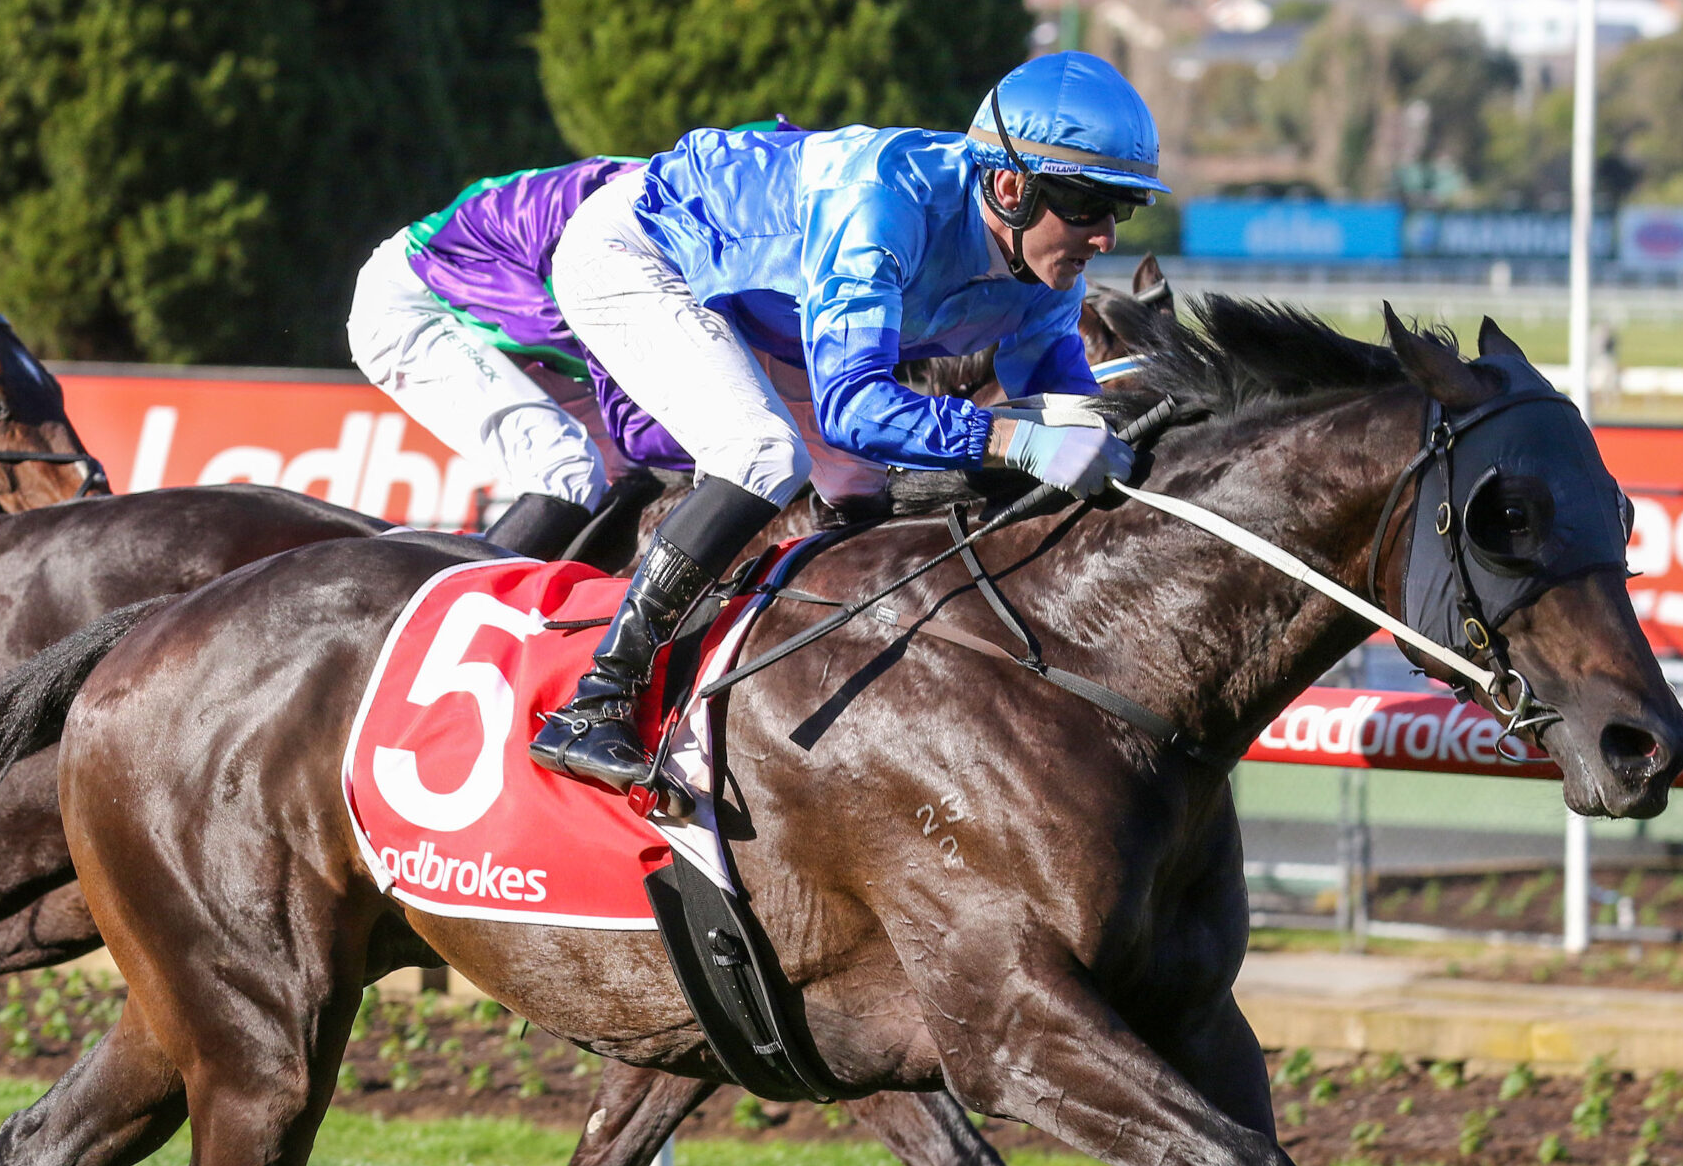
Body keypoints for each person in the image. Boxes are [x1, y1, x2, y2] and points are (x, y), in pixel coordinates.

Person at [527, 51, 1171, 794]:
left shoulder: (1048, 283)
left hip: (773, 314)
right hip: (637, 252)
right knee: (764, 454)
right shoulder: (883, 207)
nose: (1106, 238)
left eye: (1121, 210)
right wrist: (1016, 441)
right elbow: (855, 408)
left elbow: (1071, 412)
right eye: (1088, 205)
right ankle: (598, 699)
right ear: (1009, 187)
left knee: (860, 493)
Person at [348, 156, 690, 558]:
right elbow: (583, 338)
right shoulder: (637, 217)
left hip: (500, 299)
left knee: (641, 467)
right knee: (565, 471)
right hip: (410, 301)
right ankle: (465, 595)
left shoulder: (690, 194)